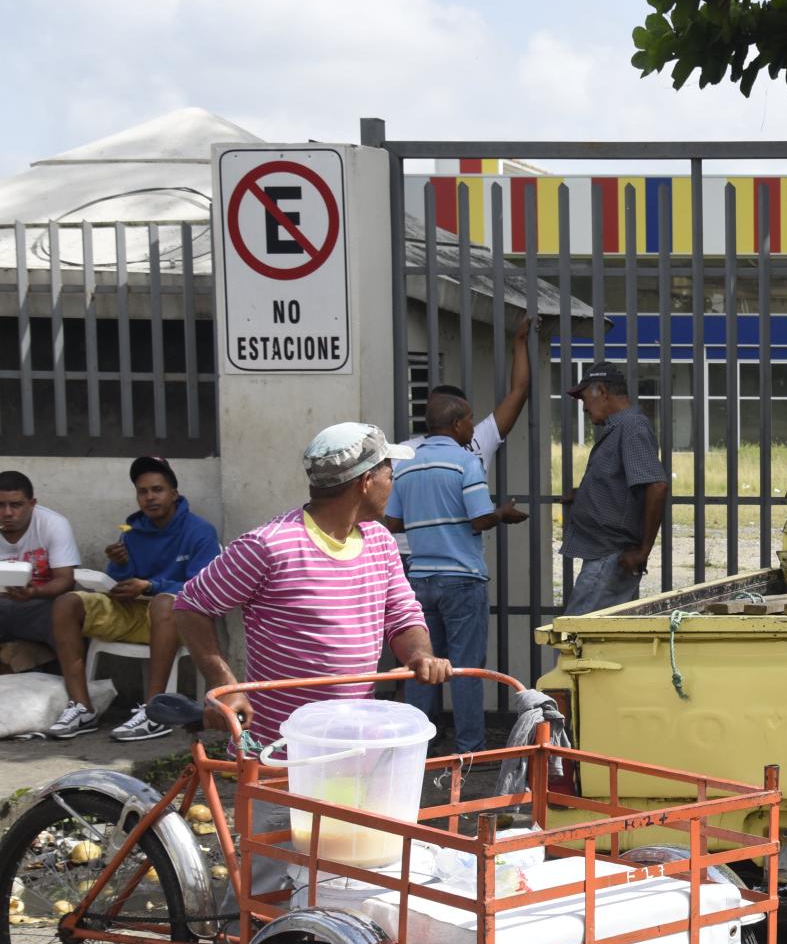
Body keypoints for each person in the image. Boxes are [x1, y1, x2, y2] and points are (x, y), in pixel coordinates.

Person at [175, 423, 451, 755]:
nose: (393, 485)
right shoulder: (269, 545)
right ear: (365, 482)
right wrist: (224, 684)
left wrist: (420, 654)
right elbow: (191, 604)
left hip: (353, 745)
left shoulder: (380, 542)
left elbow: (402, 615)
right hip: (277, 753)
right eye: (390, 475)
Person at [382, 391, 527, 753]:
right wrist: (502, 513)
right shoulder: (465, 462)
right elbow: (479, 517)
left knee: (423, 665)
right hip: (462, 578)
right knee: (464, 670)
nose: (471, 429)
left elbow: (395, 521)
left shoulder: (407, 465)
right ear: (457, 424)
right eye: (468, 422)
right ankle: (470, 751)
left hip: (420, 578)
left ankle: (417, 750)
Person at [40, 458, 222, 741]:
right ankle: (82, 707)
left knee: (164, 601)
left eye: (157, 490)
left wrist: (151, 586)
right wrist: (120, 568)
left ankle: (154, 711)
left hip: (181, 620)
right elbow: (120, 583)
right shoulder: (132, 532)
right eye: (142, 491)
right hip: (135, 613)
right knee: (67, 603)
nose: (149, 497)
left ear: (174, 494)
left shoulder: (200, 531)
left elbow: (202, 587)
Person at [391, 311, 536, 564]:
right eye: (469, 417)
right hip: (417, 556)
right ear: (457, 421)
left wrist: (519, 342)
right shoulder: (405, 452)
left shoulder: (409, 453)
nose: (472, 422)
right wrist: (499, 514)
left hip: (424, 557)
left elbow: (519, 392)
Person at [560, 363, 667, 617]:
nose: (584, 407)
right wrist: (586, 493)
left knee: (576, 634)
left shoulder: (631, 427)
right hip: (605, 556)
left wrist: (643, 551)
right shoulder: (621, 427)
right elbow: (623, 482)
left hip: (610, 557)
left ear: (603, 392)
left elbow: (657, 486)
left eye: (585, 398)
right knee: (596, 636)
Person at [0, 472, 81, 669]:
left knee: (66, 610)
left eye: (16, 505)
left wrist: (34, 592)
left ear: (32, 503)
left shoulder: (53, 524)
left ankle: (71, 685)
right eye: (0, 505)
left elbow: (65, 579)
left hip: (40, 605)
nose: (8, 513)